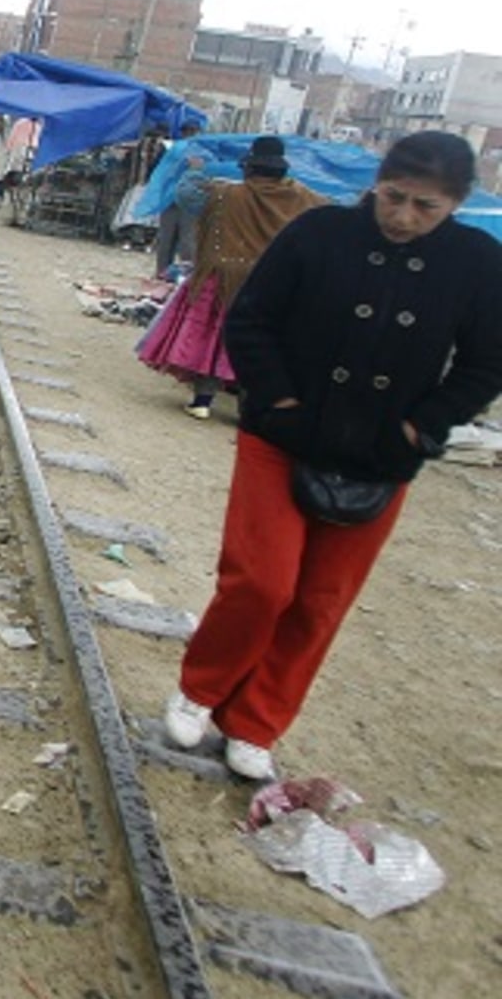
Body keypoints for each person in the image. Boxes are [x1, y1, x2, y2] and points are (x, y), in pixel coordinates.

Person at [162, 132, 502, 781]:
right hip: (281, 437)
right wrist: (281, 400)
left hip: (381, 454)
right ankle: (201, 690)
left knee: (321, 601)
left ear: (457, 203)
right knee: (260, 583)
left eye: (424, 207)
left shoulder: (478, 265)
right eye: (393, 197)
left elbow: (487, 362)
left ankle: (256, 723)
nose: (402, 217)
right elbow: (252, 320)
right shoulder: (318, 234)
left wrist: (420, 426)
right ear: (376, 182)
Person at [137, 137, 325, 419]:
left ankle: (202, 400)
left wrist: (195, 169)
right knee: (260, 344)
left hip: (222, 278)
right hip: (275, 286)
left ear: (249, 169)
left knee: (212, 338)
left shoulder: (225, 194)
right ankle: (247, 409)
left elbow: (186, 194)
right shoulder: (308, 201)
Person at [152, 125, 203, 276]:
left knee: (184, 241)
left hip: (186, 203)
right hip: (172, 200)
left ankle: (182, 275)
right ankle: (163, 273)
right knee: (169, 240)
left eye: (192, 132)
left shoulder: (201, 154)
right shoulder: (172, 150)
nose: (189, 135)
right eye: (188, 132)